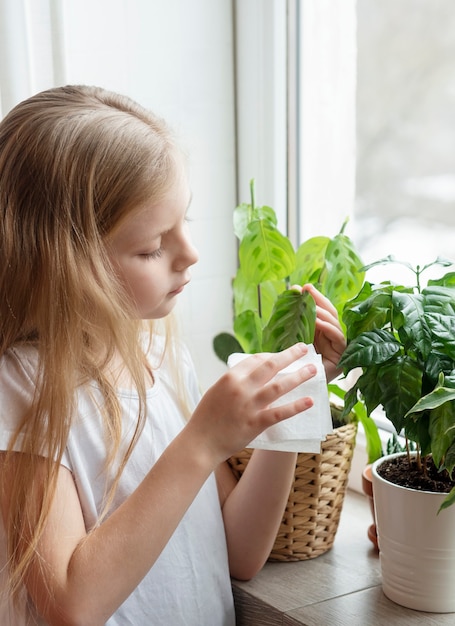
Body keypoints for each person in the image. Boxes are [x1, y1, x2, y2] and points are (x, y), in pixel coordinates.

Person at [0, 85, 346, 626]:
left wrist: (291, 401)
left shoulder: (157, 356)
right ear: (66, 264)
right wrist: (203, 439)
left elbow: (240, 552)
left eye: (184, 223)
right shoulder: (20, 391)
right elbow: (73, 605)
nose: (191, 254)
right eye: (152, 246)